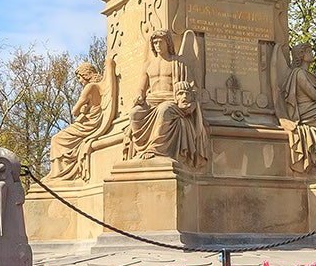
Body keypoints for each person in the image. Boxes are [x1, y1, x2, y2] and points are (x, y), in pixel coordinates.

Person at [126, 30, 209, 166]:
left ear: (168, 43)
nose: (157, 45)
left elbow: (192, 87)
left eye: (160, 42)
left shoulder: (178, 62)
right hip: (152, 101)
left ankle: (156, 150)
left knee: (164, 110)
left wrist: (189, 101)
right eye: (155, 42)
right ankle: (141, 148)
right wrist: (139, 96)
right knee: (134, 114)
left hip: (172, 101)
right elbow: (142, 87)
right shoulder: (148, 65)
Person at [48, 62, 106, 182]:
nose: (79, 81)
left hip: (89, 124)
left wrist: (82, 109)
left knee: (56, 139)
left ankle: (59, 173)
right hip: (95, 121)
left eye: (79, 77)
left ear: (85, 74)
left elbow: (75, 111)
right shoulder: (102, 85)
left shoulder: (90, 87)